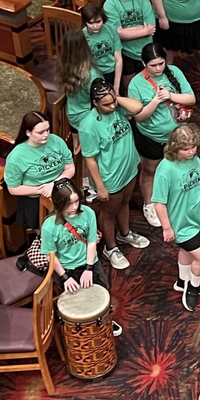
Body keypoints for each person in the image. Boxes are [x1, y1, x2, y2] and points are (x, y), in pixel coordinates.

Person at [82, 79, 149, 270]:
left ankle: (125, 233)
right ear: (95, 103)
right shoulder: (89, 125)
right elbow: (90, 159)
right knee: (109, 212)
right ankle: (111, 248)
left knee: (125, 202)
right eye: (106, 104)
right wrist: (100, 187)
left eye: (113, 102)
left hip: (128, 168)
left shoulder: (118, 107)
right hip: (110, 177)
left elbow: (137, 108)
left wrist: (116, 98)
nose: (112, 106)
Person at [40, 179, 121, 336]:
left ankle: (106, 320)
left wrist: (89, 268)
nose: (74, 207)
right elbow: (51, 256)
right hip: (66, 269)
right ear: (58, 203)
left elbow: (92, 242)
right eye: (69, 204)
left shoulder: (88, 213)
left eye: (76, 201)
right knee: (78, 304)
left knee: (102, 294)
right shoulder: (49, 226)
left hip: (89, 262)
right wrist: (64, 277)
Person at [128, 43, 196, 228]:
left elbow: (191, 99)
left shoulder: (174, 72)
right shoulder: (136, 84)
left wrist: (171, 96)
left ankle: (175, 198)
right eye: (153, 65)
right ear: (144, 63)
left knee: (176, 167)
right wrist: (155, 101)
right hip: (151, 137)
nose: (158, 68)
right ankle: (149, 204)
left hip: (176, 135)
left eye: (161, 64)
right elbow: (139, 117)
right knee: (151, 171)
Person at [153, 124, 200, 311]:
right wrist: (167, 228)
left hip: (195, 216)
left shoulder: (195, 160)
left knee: (187, 252)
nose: (191, 152)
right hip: (180, 223)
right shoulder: (165, 169)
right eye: (185, 149)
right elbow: (158, 202)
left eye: (193, 147)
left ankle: (182, 280)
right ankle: (191, 289)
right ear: (174, 147)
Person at [5, 111, 75, 236]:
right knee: (45, 231)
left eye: (48, 130)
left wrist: (54, 184)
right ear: (28, 133)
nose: (46, 135)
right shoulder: (17, 156)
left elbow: (70, 168)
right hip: (35, 200)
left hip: (62, 190)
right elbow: (13, 188)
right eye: (40, 132)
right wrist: (41, 190)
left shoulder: (56, 141)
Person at [103, 0, 156, 88]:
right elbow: (117, 34)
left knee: (149, 84)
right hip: (126, 52)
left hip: (145, 48)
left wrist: (126, 31)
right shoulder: (110, 5)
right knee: (129, 85)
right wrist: (143, 29)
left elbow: (152, 28)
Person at [57, 28, 100, 133]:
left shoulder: (63, 66)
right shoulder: (91, 75)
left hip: (72, 113)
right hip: (87, 117)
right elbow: (99, 102)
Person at [81, 1, 122, 94]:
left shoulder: (111, 29)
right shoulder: (83, 36)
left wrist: (116, 85)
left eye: (98, 22)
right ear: (85, 22)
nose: (95, 26)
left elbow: (118, 59)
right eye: (91, 23)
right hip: (95, 75)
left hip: (113, 72)